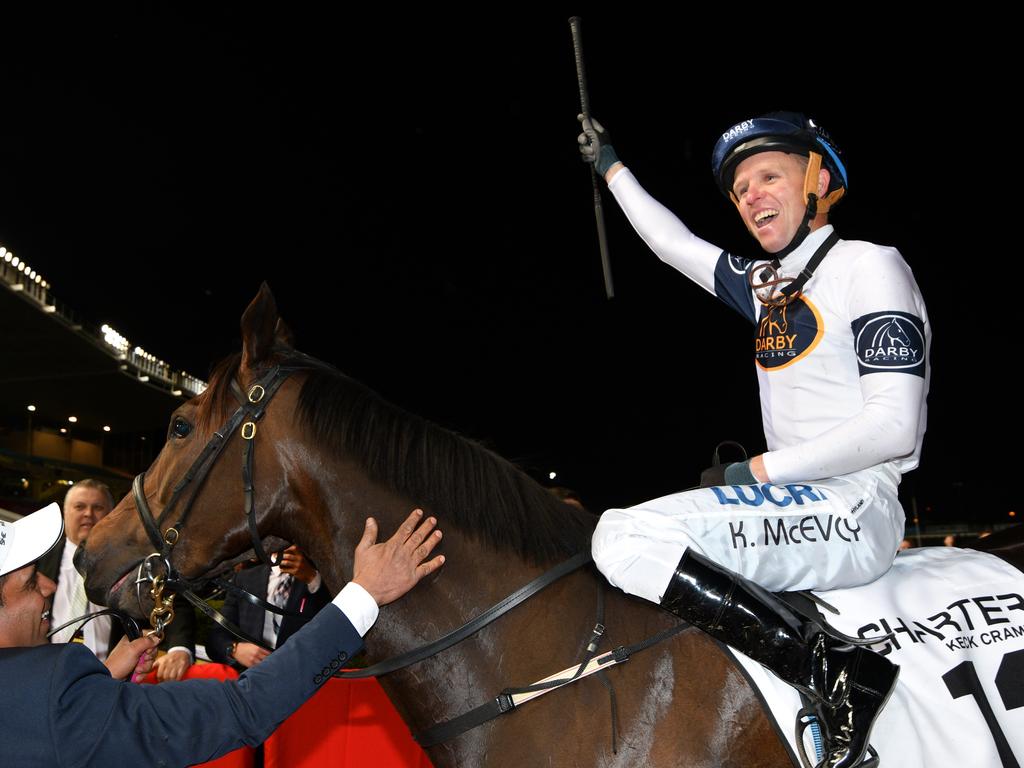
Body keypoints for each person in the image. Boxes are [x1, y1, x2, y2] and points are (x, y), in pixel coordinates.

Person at [579, 111, 930, 768]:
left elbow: (895, 425)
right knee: (629, 537)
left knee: (622, 537)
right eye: (740, 191)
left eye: (770, 177)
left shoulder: (870, 266)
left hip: (856, 509)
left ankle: (843, 676)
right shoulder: (767, 284)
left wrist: (761, 473)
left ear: (820, 180)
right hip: (800, 506)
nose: (751, 197)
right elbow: (673, 245)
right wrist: (613, 168)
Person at [0, 503, 444, 766]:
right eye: (29, 581)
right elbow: (242, 708)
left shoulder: (50, 694)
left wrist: (96, 683)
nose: (50, 587)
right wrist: (365, 594)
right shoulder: (54, 692)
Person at [37, 479, 197, 678]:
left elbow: (171, 601)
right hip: (48, 676)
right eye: (79, 507)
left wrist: (179, 649)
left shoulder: (134, 562)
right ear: (64, 512)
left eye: (97, 507)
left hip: (112, 679)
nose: (88, 513)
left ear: (111, 516)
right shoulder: (37, 562)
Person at [207, 545, 331, 670]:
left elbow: (334, 628)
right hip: (250, 678)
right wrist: (234, 649)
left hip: (304, 677)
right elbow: (216, 636)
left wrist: (312, 579)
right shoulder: (245, 578)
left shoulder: (324, 577)